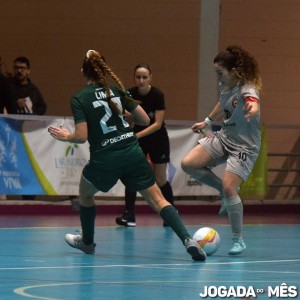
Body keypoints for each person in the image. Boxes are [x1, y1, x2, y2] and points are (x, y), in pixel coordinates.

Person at [48, 49, 206, 261]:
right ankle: (188, 239)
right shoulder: (115, 90)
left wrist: (66, 136)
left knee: (85, 195)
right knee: (158, 200)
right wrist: (123, 114)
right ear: (104, 70)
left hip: (105, 157)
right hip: (132, 152)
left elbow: (81, 136)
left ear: (82, 72)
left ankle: (87, 242)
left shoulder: (80, 98)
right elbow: (144, 120)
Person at [181, 45, 262, 255]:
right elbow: (222, 102)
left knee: (230, 187)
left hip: (245, 146)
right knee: (188, 164)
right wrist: (207, 121)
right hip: (225, 136)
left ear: (234, 71)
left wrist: (252, 110)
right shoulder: (226, 85)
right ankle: (222, 192)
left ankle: (238, 240)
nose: (218, 77)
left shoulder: (247, 88)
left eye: (220, 73)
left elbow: (253, 102)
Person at [116, 63, 174, 227]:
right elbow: (122, 112)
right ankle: (129, 215)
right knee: (132, 175)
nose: (141, 80)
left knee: (160, 179)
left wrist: (136, 135)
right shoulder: (129, 94)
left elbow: (157, 124)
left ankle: (170, 214)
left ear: (150, 78)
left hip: (157, 139)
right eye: (138, 77)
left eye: (144, 77)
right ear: (134, 77)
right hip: (138, 141)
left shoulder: (157, 95)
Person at [11, 56, 47, 200]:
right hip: (12, 133)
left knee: (29, 167)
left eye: (22, 68)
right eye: (16, 68)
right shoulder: (8, 87)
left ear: (28, 71)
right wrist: (14, 103)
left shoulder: (34, 90)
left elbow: (43, 106)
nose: (19, 71)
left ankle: (29, 197)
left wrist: (34, 119)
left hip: (30, 136)